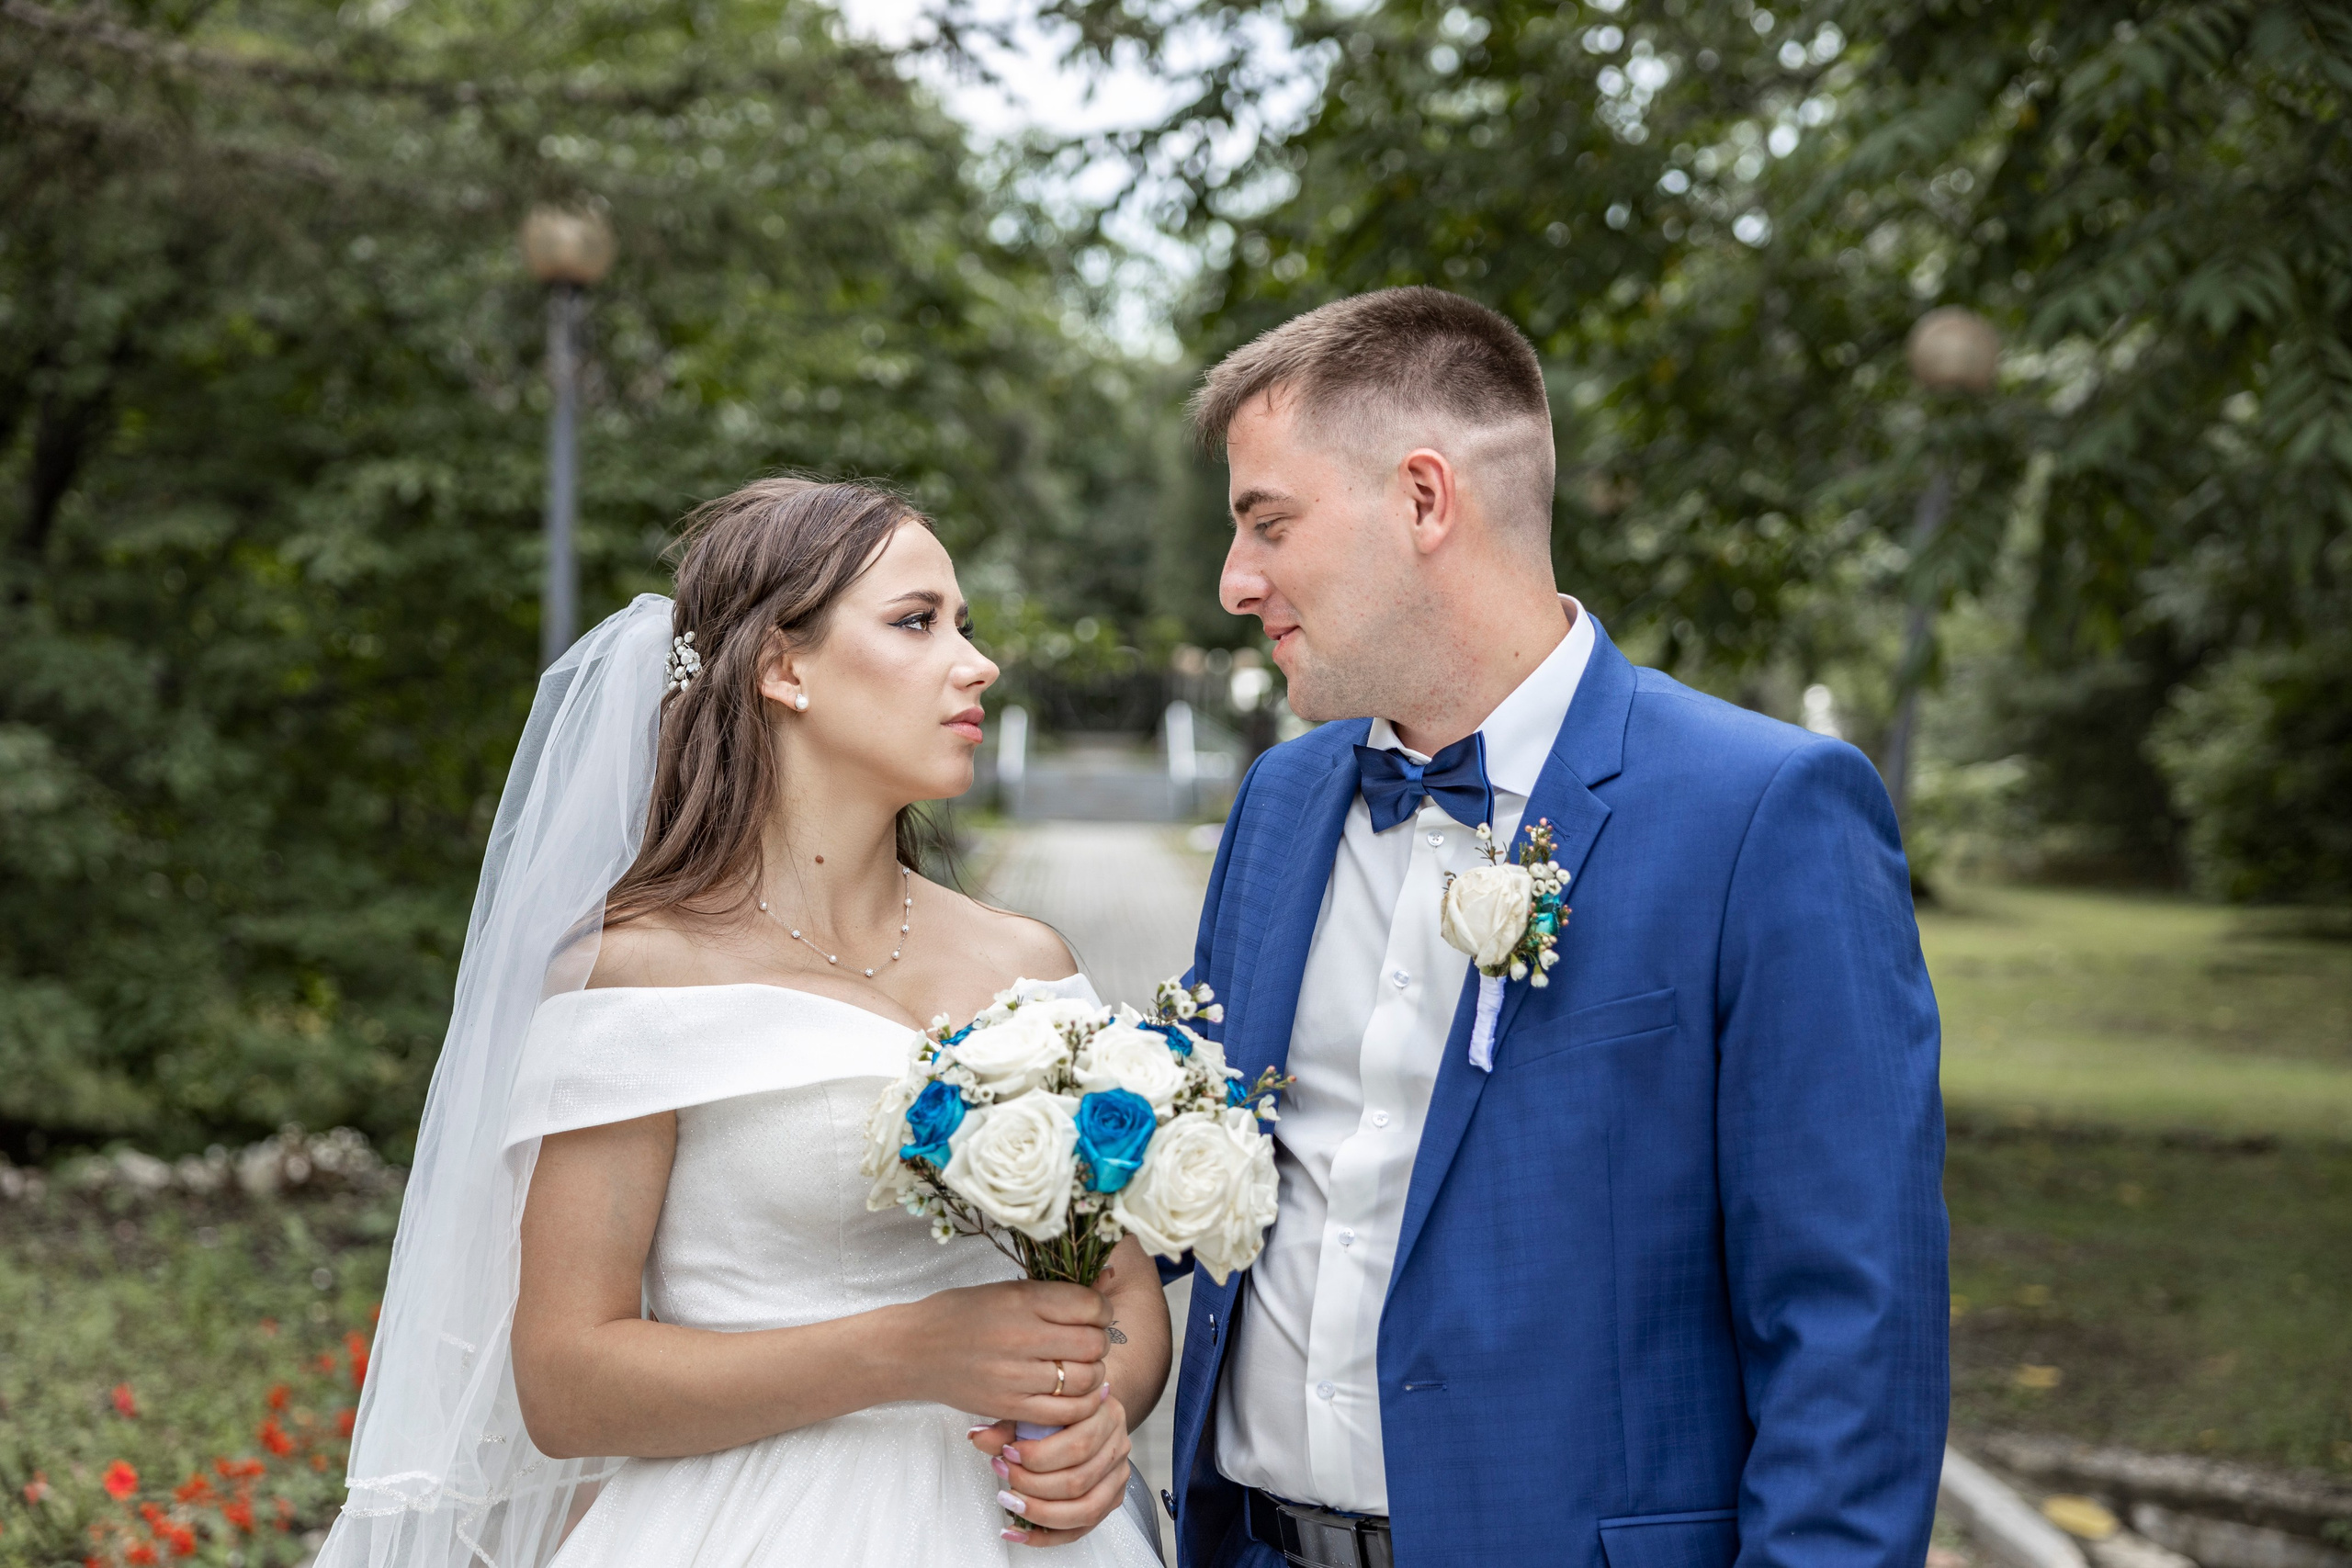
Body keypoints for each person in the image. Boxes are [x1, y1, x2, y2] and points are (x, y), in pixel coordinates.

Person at [1162, 289, 1948, 1568]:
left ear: (1425, 499)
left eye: (1268, 523)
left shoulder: (1765, 811)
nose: (1236, 581)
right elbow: (1190, 1172)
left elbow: (1856, 1322)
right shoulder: (1280, 801)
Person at [317, 479, 1170, 1568]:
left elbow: (1123, 1298)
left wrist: (1100, 1419)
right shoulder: (639, 976)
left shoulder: (1029, 963)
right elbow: (567, 1385)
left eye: (965, 624)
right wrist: (908, 1352)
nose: (975, 662)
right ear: (782, 666)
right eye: (917, 622)